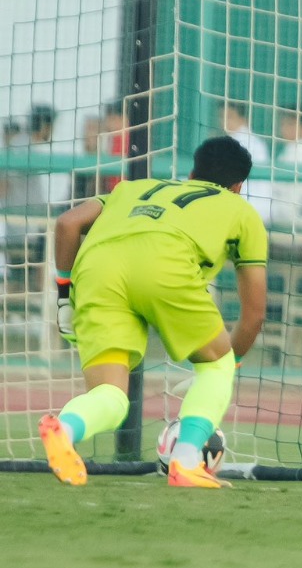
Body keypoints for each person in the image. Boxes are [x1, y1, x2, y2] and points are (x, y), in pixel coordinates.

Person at [38, 136, 269, 489]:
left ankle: (65, 429)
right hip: (166, 265)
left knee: (112, 397)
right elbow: (254, 314)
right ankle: (186, 459)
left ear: (191, 172)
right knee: (217, 366)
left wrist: (64, 296)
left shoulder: (134, 188)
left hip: (98, 271)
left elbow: (68, 223)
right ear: (238, 186)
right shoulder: (241, 211)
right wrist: (227, 365)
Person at [221, 101, 273, 222]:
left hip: (246, 209)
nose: (224, 121)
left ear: (243, 118)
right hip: (261, 208)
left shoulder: (238, 142)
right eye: (222, 117)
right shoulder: (256, 141)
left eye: (229, 117)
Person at [271, 110, 302, 229]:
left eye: (291, 124)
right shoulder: (290, 149)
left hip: (301, 221)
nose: (285, 129)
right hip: (286, 218)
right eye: (283, 125)